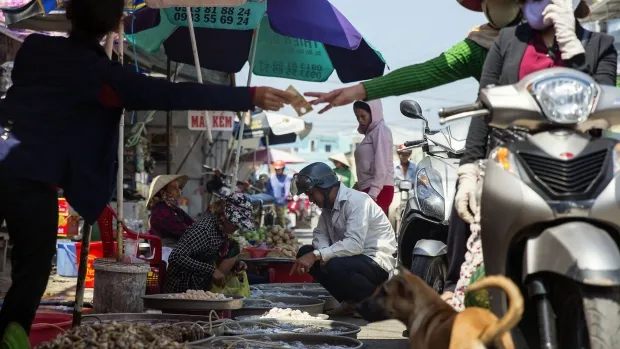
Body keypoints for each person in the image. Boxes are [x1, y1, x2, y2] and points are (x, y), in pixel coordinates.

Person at [0, 0, 293, 341]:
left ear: (67, 12)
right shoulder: (106, 76)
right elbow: (171, 94)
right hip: (31, 182)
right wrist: (249, 96)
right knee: (30, 278)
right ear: (119, 23)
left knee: (27, 274)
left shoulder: (35, 49)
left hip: (12, 161)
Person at [302, 0, 522, 300]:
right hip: (494, 153)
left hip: (555, 157)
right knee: (463, 209)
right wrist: (358, 90)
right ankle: (453, 293)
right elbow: (427, 72)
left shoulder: (583, 45)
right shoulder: (485, 45)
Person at [450, 0, 616, 305]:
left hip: (579, 161)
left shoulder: (601, 45)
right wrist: (469, 168)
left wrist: (572, 46)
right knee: (471, 226)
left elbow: (601, 108)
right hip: (513, 159)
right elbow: (482, 107)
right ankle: (453, 289)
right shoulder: (508, 40)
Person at [289, 162, 397, 316]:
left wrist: (318, 255)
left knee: (332, 263)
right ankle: (352, 303)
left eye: (311, 194)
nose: (311, 200)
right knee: (305, 252)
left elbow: (354, 245)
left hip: (376, 263)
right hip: (353, 260)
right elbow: (320, 234)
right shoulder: (328, 208)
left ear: (325, 188)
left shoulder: (358, 201)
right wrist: (321, 254)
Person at [164, 193, 254, 293]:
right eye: (236, 223)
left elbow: (209, 255)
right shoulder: (204, 229)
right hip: (180, 289)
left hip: (198, 289)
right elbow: (176, 256)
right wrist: (212, 271)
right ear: (224, 215)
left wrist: (235, 265)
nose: (238, 227)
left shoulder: (220, 230)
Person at [353, 100, 394, 215]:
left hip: (378, 190)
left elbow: (382, 163)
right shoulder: (370, 134)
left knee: (369, 230)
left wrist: (373, 192)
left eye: (363, 116)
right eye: (357, 117)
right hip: (369, 189)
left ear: (374, 113)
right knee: (366, 231)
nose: (360, 120)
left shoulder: (381, 130)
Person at [147, 175, 193, 247]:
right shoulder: (161, 210)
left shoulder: (174, 209)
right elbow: (183, 231)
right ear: (163, 193)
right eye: (174, 188)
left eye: (178, 188)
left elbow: (191, 222)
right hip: (165, 253)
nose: (179, 191)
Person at [266, 160, 292, 227]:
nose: (277, 170)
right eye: (276, 169)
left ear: (283, 169)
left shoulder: (286, 178)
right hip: (271, 202)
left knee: (281, 219)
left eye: (279, 169)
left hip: (281, 203)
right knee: (272, 218)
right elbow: (268, 190)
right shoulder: (271, 178)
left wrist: (284, 199)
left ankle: (283, 232)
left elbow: (287, 190)